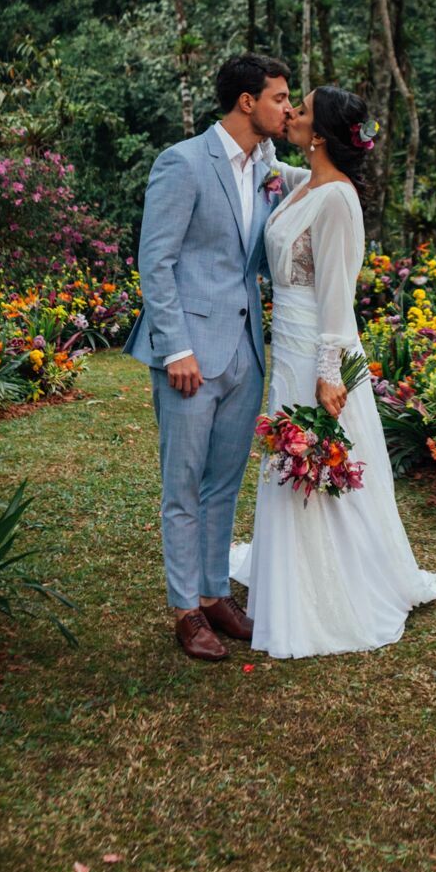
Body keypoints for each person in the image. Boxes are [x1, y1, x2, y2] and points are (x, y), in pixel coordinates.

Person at [229, 85, 436, 658]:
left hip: (318, 348)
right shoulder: (308, 185)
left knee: (319, 453)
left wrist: (330, 373)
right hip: (291, 342)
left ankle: (337, 584)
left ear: (321, 132)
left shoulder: (338, 201)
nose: (291, 113)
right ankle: (289, 568)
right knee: (290, 452)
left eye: (299, 108)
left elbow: (336, 296)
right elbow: (276, 166)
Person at [125, 53, 304, 661]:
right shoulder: (181, 162)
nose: (287, 107)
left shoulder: (269, 166)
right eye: (280, 97)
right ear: (247, 101)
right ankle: (184, 611)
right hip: (190, 356)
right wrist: (175, 346)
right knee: (184, 485)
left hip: (247, 349)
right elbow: (157, 262)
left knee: (224, 483)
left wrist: (340, 152)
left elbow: (316, 186)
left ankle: (212, 594)